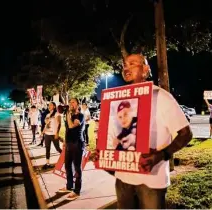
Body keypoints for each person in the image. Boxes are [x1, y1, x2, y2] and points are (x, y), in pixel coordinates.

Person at [95, 54, 192, 209]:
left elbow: (186, 134)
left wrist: (160, 156)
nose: (126, 68)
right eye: (124, 65)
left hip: (151, 182)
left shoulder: (161, 96)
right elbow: (111, 137)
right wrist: (103, 155)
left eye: (132, 64)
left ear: (145, 70)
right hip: (123, 179)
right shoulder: (116, 100)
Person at [58, 98, 85, 201]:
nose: (70, 104)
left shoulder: (80, 116)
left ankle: (77, 191)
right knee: (67, 166)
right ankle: (69, 186)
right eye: (70, 102)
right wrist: (65, 141)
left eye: (73, 102)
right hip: (69, 143)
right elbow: (67, 129)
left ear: (78, 104)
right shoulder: (70, 115)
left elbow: (71, 125)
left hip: (77, 144)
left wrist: (68, 115)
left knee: (77, 168)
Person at [42, 102, 62, 169]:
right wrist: (43, 132)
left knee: (58, 149)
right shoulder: (47, 115)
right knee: (47, 149)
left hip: (54, 134)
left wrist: (57, 133)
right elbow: (46, 125)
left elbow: (59, 124)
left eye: (51, 105)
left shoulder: (57, 114)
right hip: (47, 134)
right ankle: (47, 163)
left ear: (54, 106)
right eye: (48, 105)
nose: (49, 106)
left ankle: (67, 158)